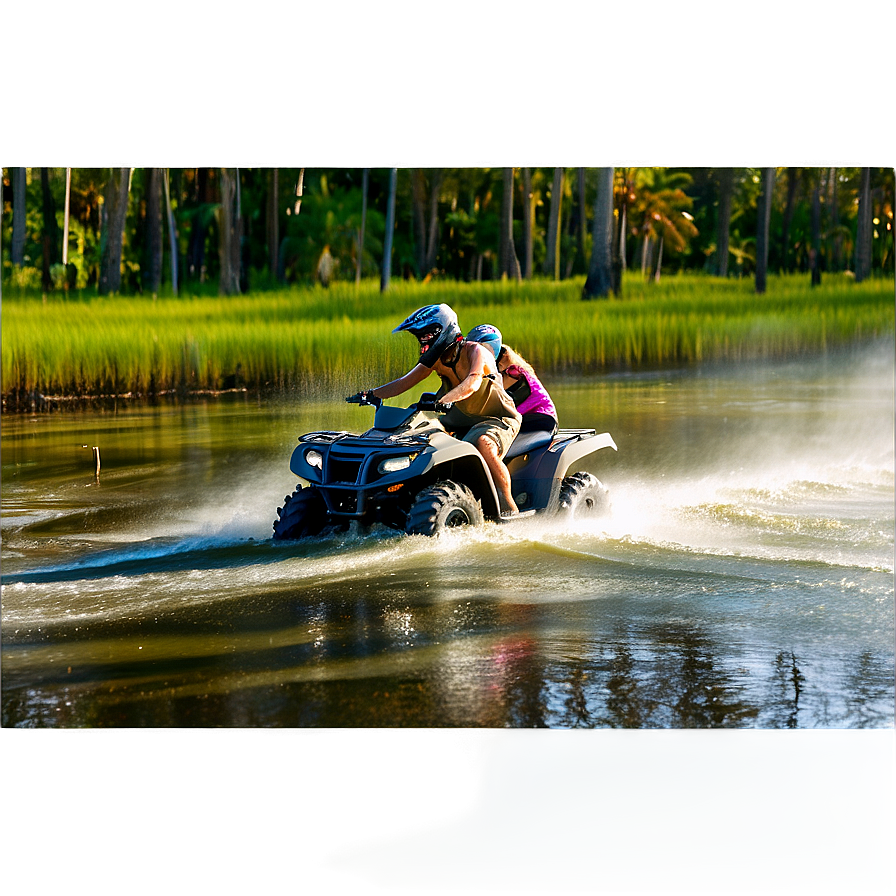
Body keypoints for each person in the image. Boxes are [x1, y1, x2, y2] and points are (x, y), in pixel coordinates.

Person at [353, 304, 523, 515]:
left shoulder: (475, 351)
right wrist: (371, 394)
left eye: (427, 335)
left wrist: (446, 399)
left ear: (443, 331)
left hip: (496, 417)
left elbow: (473, 382)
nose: (423, 341)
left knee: (483, 444)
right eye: (421, 338)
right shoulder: (435, 360)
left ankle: (508, 509)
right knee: (418, 435)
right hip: (461, 418)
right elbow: (405, 382)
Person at [466, 325, 558, 434]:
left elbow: (496, 401)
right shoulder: (491, 370)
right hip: (521, 420)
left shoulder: (513, 373)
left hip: (541, 419)